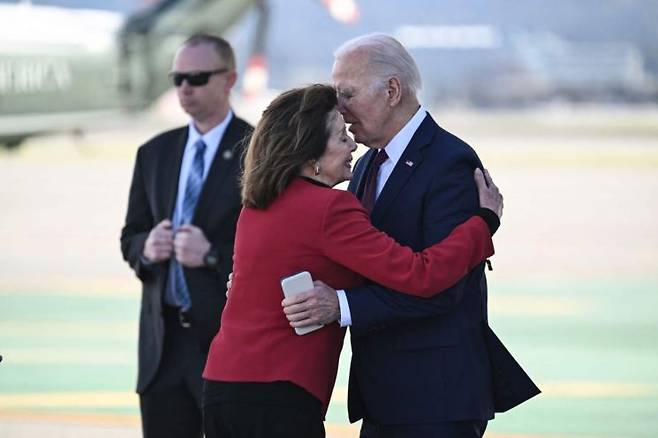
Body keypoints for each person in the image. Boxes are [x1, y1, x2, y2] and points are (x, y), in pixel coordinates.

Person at [201, 84, 504, 438]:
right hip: (278, 394)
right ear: (309, 153)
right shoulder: (330, 208)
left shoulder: (257, 206)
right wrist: (483, 225)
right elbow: (420, 274)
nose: (353, 145)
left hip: (221, 387)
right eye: (340, 136)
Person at [283, 34, 540, 438]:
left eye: (347, 94)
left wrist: (342, 306)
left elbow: (445, 285)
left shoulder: (449, 161)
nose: (340, 109)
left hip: (435, 396)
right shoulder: (366, 164)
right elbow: (360, 260)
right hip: (386, 394)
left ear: (391, 90)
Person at [120, 34, 252, 438]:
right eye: (178, 78)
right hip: (162, 347)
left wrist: (211, 255)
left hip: (223, 342)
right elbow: (130, 235)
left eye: (196, 76)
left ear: (229, 79)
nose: (184, 88)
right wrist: (147, 247)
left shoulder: (258, 151)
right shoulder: (154, 152)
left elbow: (274, 249)